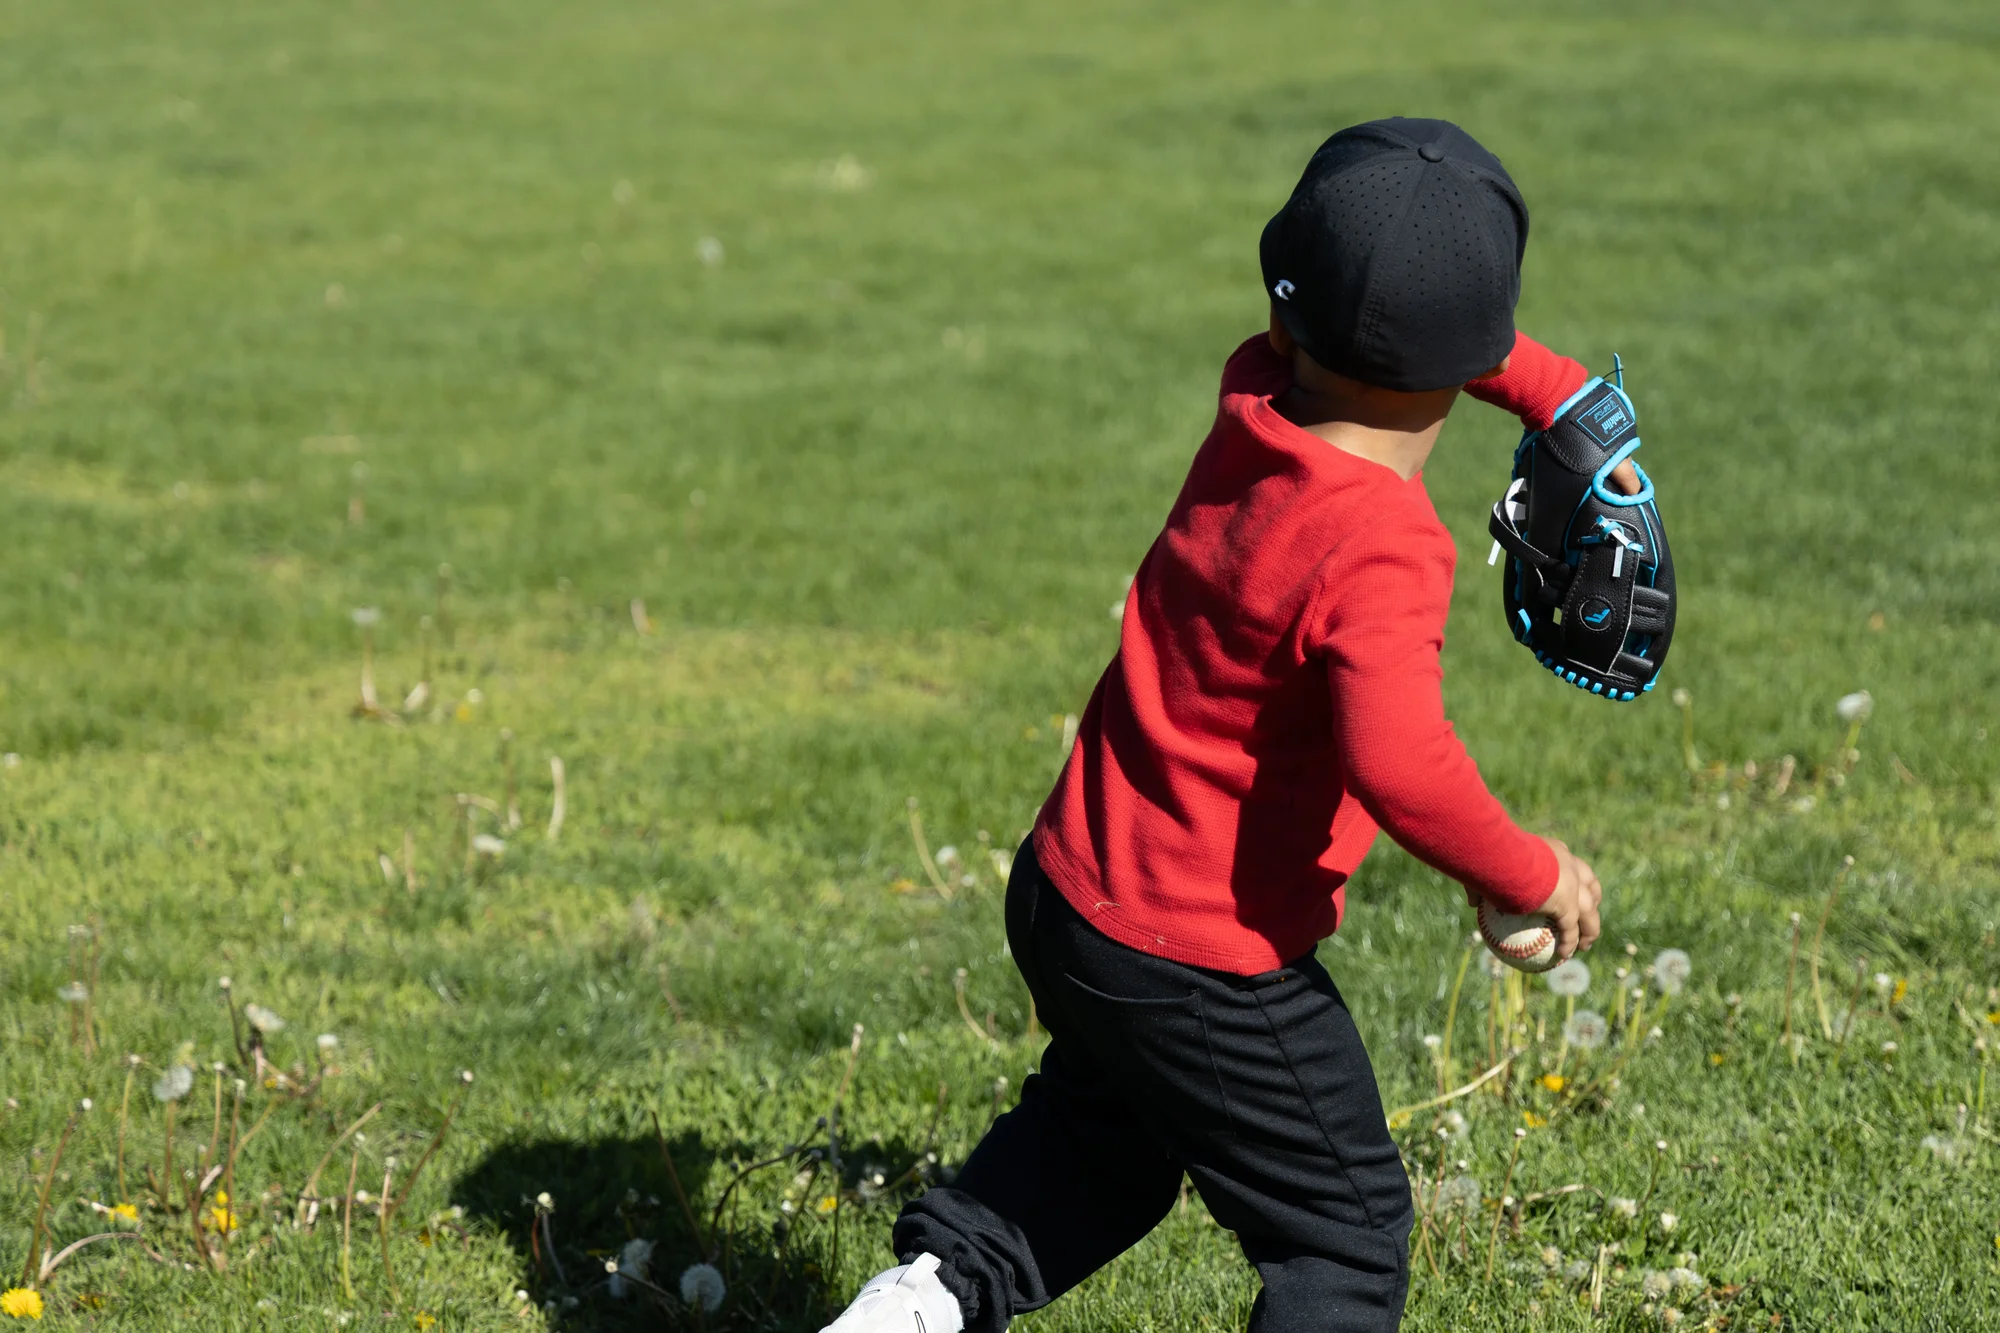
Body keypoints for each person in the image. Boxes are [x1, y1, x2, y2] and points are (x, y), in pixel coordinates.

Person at [822, 117, 1606, 1333]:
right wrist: (1525, 870)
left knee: (1103, 1145)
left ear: (1287, 316)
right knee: (1342, 1236)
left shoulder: (1253, 397)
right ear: (1464, 357)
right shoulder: (1382, 545)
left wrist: (1559, 397)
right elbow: (1400, 762)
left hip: (1071, 892)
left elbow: (1382, 339)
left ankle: (913, 1310)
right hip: (1199, 957)